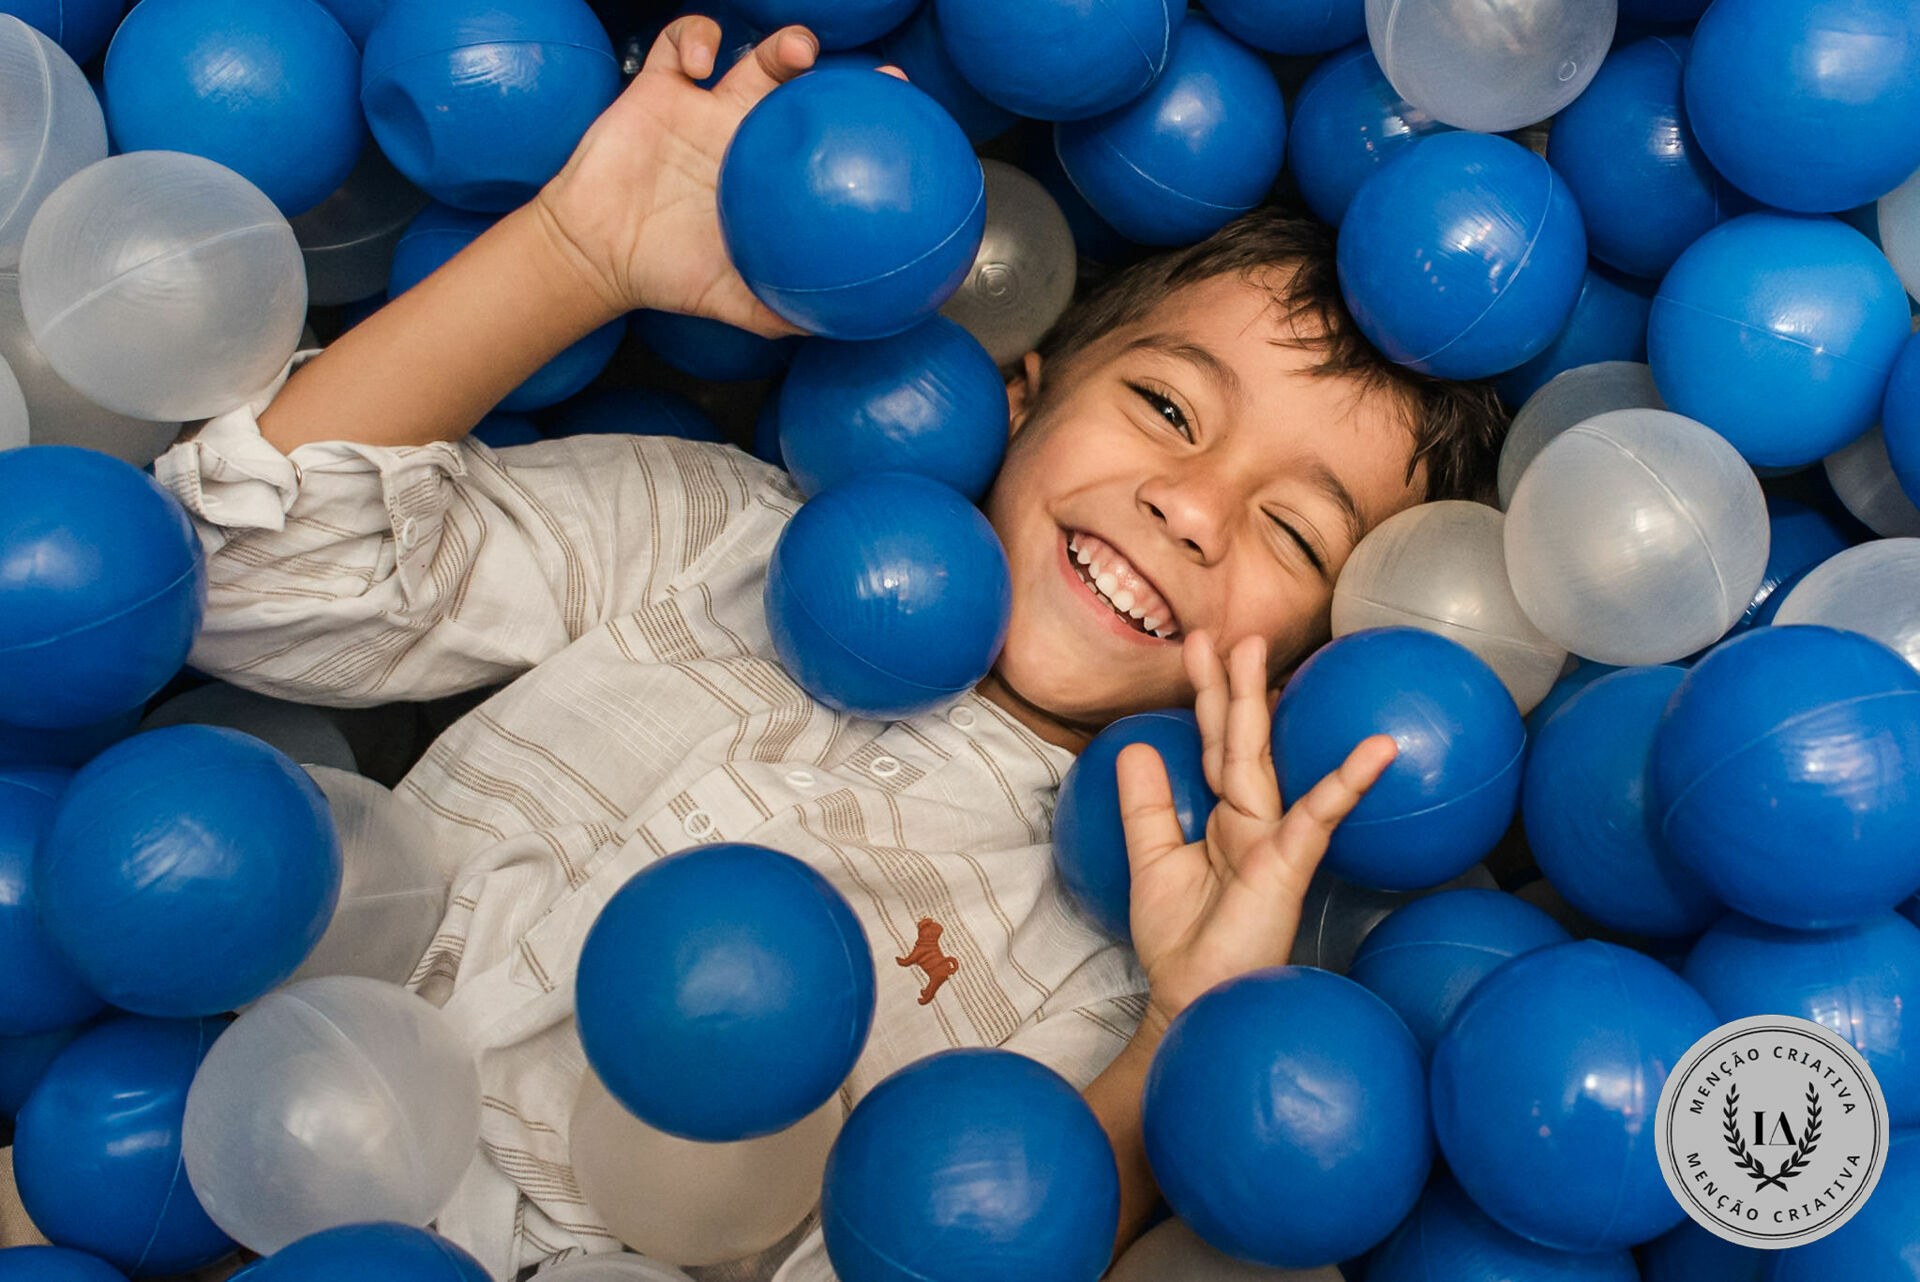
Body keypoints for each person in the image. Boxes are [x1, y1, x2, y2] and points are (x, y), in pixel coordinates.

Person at [153, 17, 1506, 1281]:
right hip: (209, 1144)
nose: (1193, 508)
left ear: (1314, 657)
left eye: (1294, 535)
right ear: (1019, 389)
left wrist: (1184, 1032)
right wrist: (577, 253)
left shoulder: (1117, 972)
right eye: (1164, 405)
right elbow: (239, 573)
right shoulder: (718, 537)